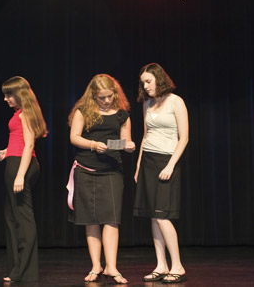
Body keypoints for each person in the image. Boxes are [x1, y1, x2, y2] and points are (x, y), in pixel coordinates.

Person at [67, 74, 136, 284]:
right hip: (86, 169)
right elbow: (74, 137)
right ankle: (96, 265)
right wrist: (93, 145)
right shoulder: (83, 111)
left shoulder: (122, 115)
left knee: (112, 219)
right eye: (102, 97)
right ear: (93, 96)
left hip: (112, 171)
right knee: (91, 219)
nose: (107, 101)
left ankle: (111, 267)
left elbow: (125, 141)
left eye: (110, 96)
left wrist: (128, 145)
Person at [133, 63, 188, 284]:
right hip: (148, 161)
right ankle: (161, 265)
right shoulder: (147, 104)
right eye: (143, 83)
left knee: (163, 216)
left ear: (159, 79)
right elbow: (145, 137)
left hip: (167, 160)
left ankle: (178, 265)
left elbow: (183, 138)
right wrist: (138, 167)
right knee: (154, 217)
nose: (146, 86)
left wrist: (170, 165)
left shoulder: (176, 101)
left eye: (149, 81)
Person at [0, 76, 47, 282]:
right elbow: (19, 142)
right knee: (11, 216)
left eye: (9, 95)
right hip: (16, 161)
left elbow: (29, 145)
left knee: (22, 217)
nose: (6, 99)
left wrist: (20, 174)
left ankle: (24, 270)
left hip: (21, 166)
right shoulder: (20, 114)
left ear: (19, 94)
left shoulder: (25, 114)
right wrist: (6, 152)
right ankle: (17, 268)